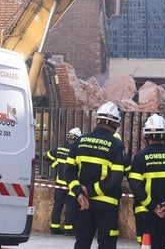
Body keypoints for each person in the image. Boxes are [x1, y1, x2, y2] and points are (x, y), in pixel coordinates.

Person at [63, 102, 130, 249]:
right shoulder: (116, 145)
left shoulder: (80, 141)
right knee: (107, 244)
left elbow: (68, 171)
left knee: (82, 242)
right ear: (115, 124)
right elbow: (116, 178)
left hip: (82, 204)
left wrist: (79, 192)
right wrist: (91, 190)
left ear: (98, 120)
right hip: (107, 206)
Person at [128, 114, 165, 249]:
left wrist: (153, 206)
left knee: (147, 246)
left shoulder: (140, 157)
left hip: (145, 213)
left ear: (146, 136)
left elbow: (136, 187)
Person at [45, 127, 82, 235]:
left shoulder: (60, 148)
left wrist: (56, 165)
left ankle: (54, 227)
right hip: (71, 184)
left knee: (58, 205)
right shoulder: (75, 152)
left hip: (59, 183)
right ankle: (68, 229)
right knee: (71, 206)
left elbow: (48, 155)